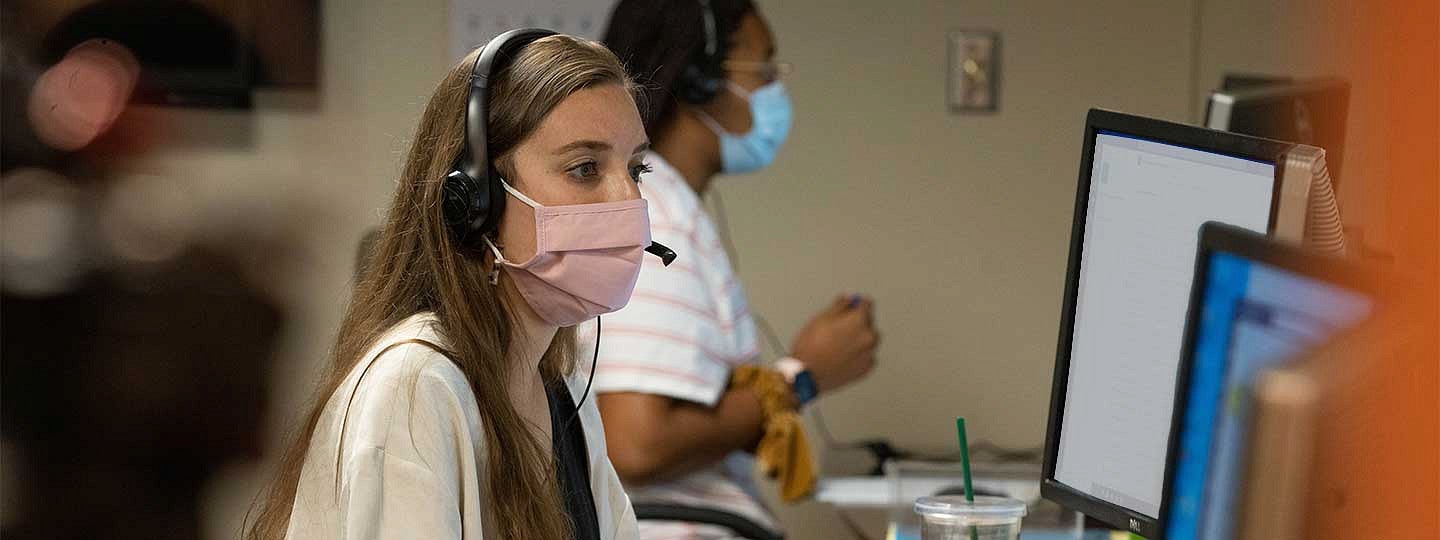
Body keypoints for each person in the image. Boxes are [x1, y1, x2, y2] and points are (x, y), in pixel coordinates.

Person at [246, 33, 653, 540]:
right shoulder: (414, 388)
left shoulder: (563, 391)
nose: (628, 200)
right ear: (474, 202)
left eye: (637, 168)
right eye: (585, 169)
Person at [591, 1, 880, 537]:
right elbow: (636, 443)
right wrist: (801, 379)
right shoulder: (656, 219)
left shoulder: (667, 207)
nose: (775, 91)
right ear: (699, 80)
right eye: (763, 71)